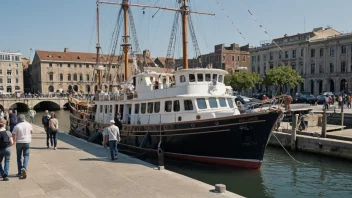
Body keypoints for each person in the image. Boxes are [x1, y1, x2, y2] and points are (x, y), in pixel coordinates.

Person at [12, 114, 33, 179]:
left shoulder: (16, 126)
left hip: (19, 142)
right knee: (26, 155)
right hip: (27, 141)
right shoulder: (29, 125)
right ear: (24, 118)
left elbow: (14, 136)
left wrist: (13, 142)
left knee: (19, 157)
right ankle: (24, 167)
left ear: (18, 119)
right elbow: (31, 132)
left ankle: (19, 172)